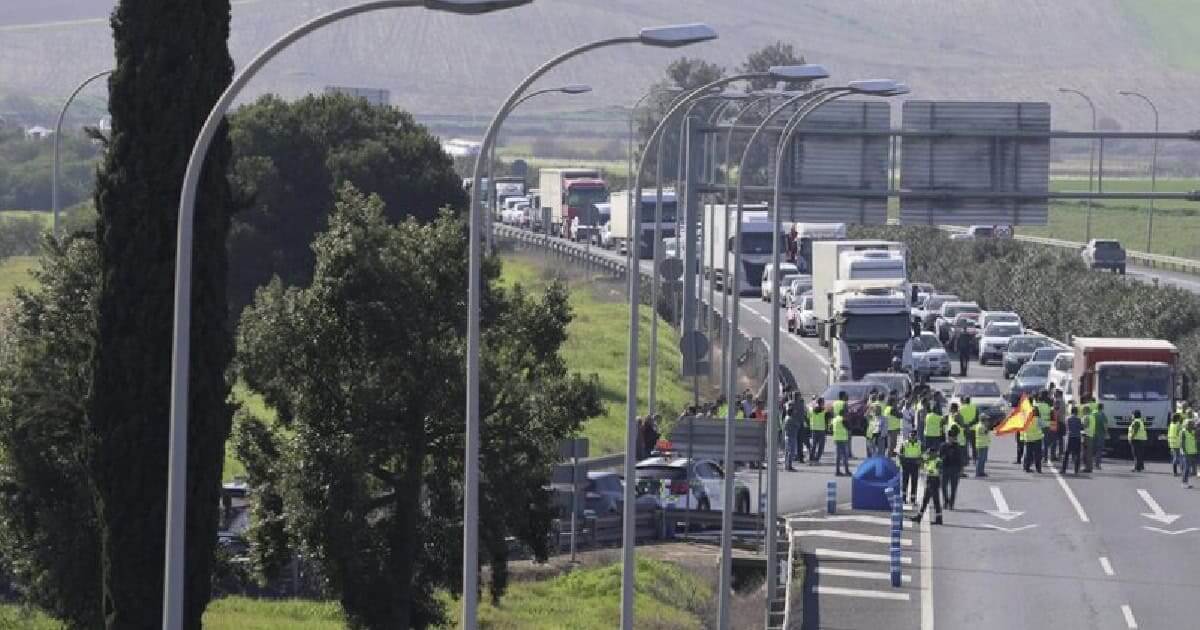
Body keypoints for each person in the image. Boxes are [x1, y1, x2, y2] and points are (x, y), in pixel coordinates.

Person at [911, 446, 944, 525]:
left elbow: (939, 471)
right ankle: (920, 517)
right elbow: (919, 461)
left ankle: (937, 519)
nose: (928, 455)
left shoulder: (938, 461)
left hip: (934, 481)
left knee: (934, 500)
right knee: (927, 500)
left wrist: (929, 470)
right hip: (930, 480)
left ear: (934, 453)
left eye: (930, 453)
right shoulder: (929, 460)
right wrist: (923, 457)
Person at [940, 427, 964, 510]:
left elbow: (961, 458)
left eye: (953, 437)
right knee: (943, 487)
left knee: (954, 488)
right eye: (950, 437)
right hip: (945, 468)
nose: (952, 439)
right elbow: (939, 457)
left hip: (954, 469)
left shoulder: (957, 447)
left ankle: (951, 503)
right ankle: (946, 501)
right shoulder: (943, 446)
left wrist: (961, 469)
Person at [784, 392, 807, 471]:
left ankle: (799, 457)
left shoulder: (801, 403)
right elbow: (789, 411)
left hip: (798, 424)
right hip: (794, 424)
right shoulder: (791, 404)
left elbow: (803, 413)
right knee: (791, 447)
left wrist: (803, 421)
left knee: (799, 442)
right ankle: (789, 464)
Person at [900, 433, 924, 504]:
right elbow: (900, 454)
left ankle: (913, 499)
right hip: (906, 465)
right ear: (909, 436)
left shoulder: (919, 444)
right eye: (911, 436)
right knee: (905, 483)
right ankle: (903, 499)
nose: (912, 438)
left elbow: (923, 454)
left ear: (916, 436)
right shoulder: (905, 443)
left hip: (915, 465)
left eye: (914, 436)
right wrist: (902, 463)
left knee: (914, 483)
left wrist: (921, 462)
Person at [1060, 405, 1084, 475]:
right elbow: (1081, 427)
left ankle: (1063, 469)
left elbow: (1066, 428)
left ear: (1071, 412)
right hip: (1077, 437)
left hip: (1070, 437)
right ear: (1077, 412)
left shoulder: (1068, 419)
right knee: (1077, 454)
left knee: (1066, 454)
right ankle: (1076, 470)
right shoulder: (1079, 419)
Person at [1022, 406, 1044, 473]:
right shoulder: (1038, 419)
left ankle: (1027, 468)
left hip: (1029, 439)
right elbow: (1043, 427)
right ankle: (1038, 469)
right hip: (1037, 439)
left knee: (1029, 454)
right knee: (1037, 455)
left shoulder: (1027, 420)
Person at [831, 406, 852, 476]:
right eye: (846, 414)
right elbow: (849, 428)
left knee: (838, 456)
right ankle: (847, 471)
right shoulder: (843, 419)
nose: (847, 415)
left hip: (836, 439)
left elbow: (831, 428)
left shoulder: (834, 419)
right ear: (843, 414)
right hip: (843, 439)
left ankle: (837, 471)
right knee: (845, 456)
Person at [809, 397, 828, 465]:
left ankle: (811, 458)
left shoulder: (812, 409)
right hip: (821, 429)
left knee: (814, 445)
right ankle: (817, 458)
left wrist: (814, 402)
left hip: (814, 428)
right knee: (821, 446)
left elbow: (810, 408)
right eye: (823, 402)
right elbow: (828, 410)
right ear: (821, 403)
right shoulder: (823, 410)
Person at [960, 396, 978, 463]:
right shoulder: (974, 407)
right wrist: (971, 424)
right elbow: (977, 418)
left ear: (964, 400)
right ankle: (975, 459)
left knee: (965, 445)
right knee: (974, 445)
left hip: (964, 428)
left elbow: (960, 419)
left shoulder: (961, 408)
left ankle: (966, 459)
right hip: (973, 428)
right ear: (970, 401)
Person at [1181, 418, 1198, 489]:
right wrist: (1184, 451)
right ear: (1187, 425)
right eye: (1190, 424)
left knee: (1191, 469)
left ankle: (1187, 482)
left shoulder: (1193, 431)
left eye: (1192, 424)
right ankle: (1184, 483)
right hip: (1187, 452)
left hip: (1193, 452)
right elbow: (1182, 443)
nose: (1192, 425)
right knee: (1187, 468)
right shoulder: (1183, 432)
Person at [1092, 402, 1108, 470]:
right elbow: (1105, 425)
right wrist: (1106, 433)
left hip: (1092, 434)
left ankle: (1091, 463)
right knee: (1099, 450)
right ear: (1102, 408)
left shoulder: (1093, 414)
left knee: (1093, 450)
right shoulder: (1103, 415)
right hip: (1100, 434)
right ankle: (1097, 465)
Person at [1168, 413, 1184, 477]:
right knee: (1179, 457)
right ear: (1177, 418)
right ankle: (1180, 471)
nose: (1180, 419)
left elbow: (1169, 434)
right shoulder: (1178, 425)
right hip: (1177, 443)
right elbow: (1179, 434)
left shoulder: (1171, 425)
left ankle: (1175, 472)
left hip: (1172, 443)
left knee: (1176, 457)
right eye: (1179, 418)